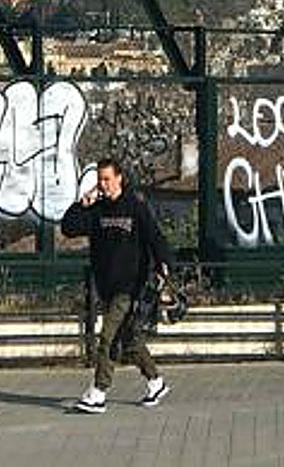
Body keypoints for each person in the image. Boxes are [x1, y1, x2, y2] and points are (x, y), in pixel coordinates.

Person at [61, 157, 174, 414]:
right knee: (131, 340)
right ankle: (156, 382)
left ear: (120, 178)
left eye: (107, 179)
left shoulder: (135, 206)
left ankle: (98, 392)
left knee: (107, 337)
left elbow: (155, 237)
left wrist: (164, 264)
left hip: (130, 286)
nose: (103, 184)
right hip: (106, 286)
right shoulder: (97, 209)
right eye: (100, 179)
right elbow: (68, 228)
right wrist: (82, 204)